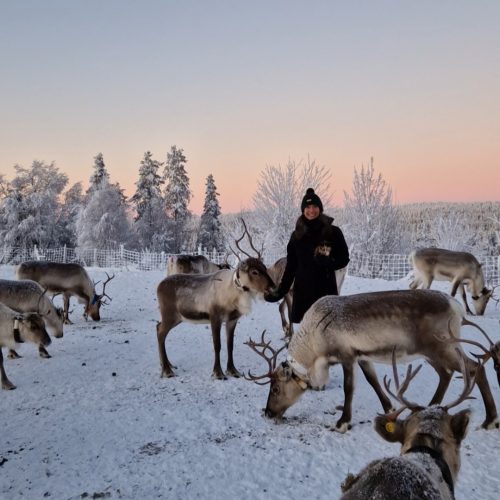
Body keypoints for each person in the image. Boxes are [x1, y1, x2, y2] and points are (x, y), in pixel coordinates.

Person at [265, 188, 350, 324]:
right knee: (308, 337)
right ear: (303, 210)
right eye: (308, 207)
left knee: (327, 333)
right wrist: (280, 291)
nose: (311, 210)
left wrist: (329, 262)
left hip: (326, 292)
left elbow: (344, 259)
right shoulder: (296, 236)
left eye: (315, 206)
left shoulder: (333, 232)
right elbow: (291, 267)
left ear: (320, 208)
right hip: (303, 294)